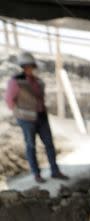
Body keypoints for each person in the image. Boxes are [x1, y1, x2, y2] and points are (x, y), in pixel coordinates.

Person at [5, 51, 68, 183]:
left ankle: (55, 171)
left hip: (41, 116)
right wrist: (19, 113)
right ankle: (36, 174)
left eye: (31, 65)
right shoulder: (16, 81)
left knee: (49, 144)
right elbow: (10, 100)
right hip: (26, 119)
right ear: (22, 67)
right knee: (31, 146)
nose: (29, 68)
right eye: (26, 65)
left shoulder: (38, 81)